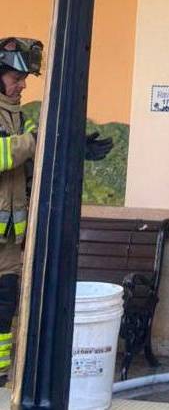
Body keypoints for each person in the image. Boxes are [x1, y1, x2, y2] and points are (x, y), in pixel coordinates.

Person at [0, 37, 113, 380]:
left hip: (7, 243)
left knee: (5, 307)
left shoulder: (16, 117)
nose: (21, 85)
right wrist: (37, 140)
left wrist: (70, 144)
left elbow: (30, 165)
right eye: (15, 78)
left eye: (23, 80)